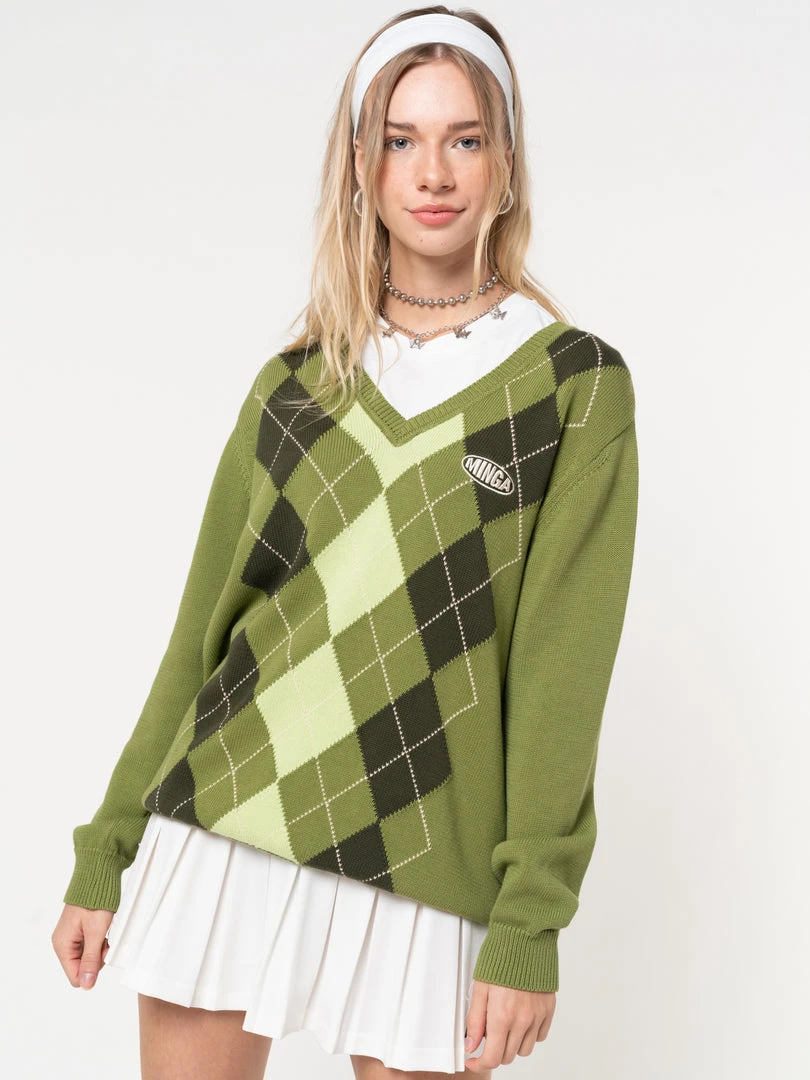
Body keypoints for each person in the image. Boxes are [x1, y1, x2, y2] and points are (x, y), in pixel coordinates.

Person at [51, 7, 639, 1079]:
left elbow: (563, 671)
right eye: (401, 140)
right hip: (226, 823)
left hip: (426, 862)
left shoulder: (573, 387)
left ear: (506, 164)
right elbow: (200, 639)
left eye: (465, 139)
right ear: (362, 163)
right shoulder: (295, 385)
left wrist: (530, 917)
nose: (434, 172)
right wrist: (108, 846)